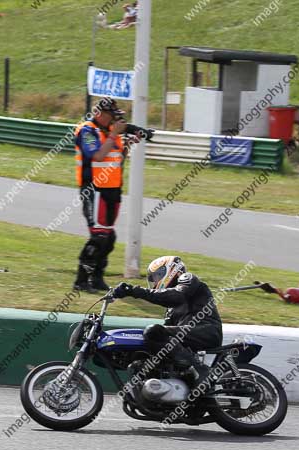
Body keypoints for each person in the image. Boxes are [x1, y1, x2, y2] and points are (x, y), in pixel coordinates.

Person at [112, 256, 221, 385]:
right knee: (154, 336)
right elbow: (163, 335)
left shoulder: (188, 279)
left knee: (152, 330)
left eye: (158, 275)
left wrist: (135, 291)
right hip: (187, 335)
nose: (156, 281)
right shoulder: (170, 307)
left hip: (206, 330)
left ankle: (200, 370)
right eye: (154, 278)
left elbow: (177, 296)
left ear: (172, 270)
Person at [72, 98, 128, 292]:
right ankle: (81, 280)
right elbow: (96, 156)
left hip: (112, 190)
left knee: (109, 238)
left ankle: (97, 278)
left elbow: (116, 161)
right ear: (100, 114)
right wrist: (113, 135)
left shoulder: (111, 134)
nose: (115, 119)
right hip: (94, 189)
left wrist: (126, 145)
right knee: (99, 237)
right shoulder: (87, 131)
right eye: (112, 115)